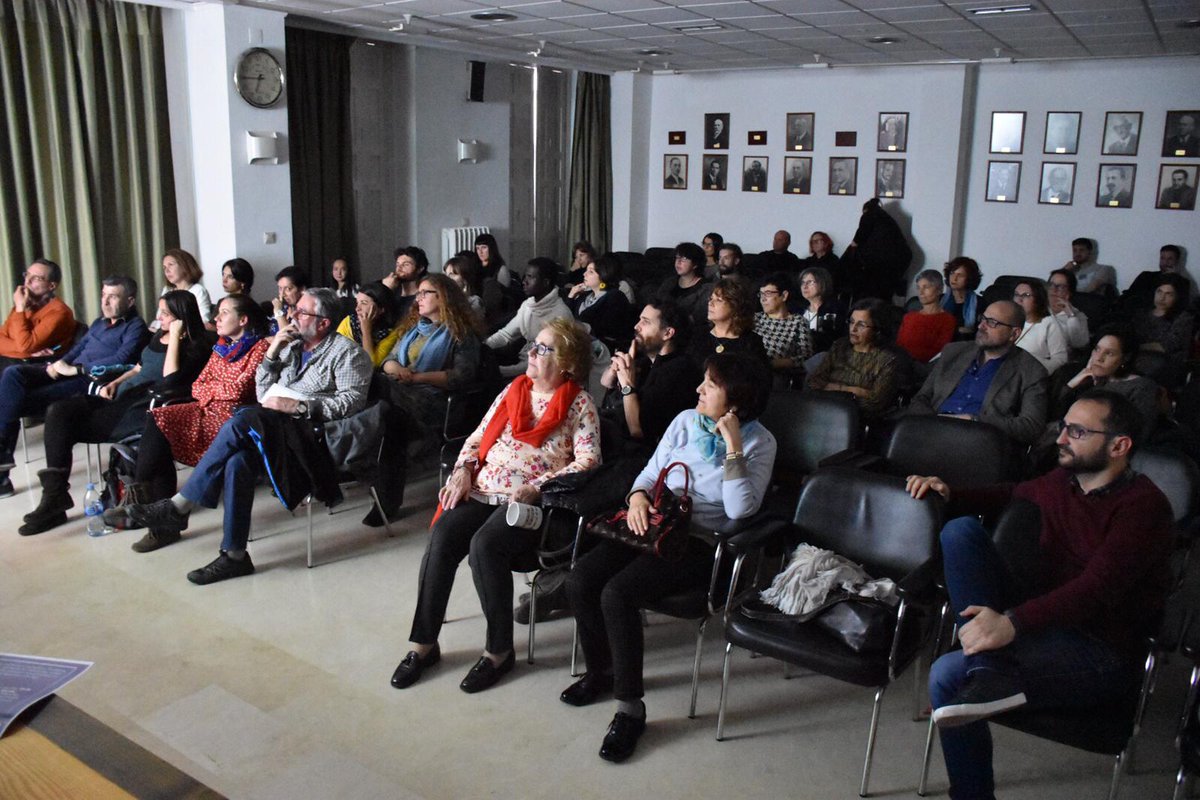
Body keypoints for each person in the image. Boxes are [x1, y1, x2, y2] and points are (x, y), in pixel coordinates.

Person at [909, 391, 1172, 800]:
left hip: (1099, 650)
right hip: (1047, 624)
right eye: (1063, 426)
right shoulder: (1063, 481)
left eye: (1078, 431)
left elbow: (1095, 591)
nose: (1062, 438)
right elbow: (1012, 493)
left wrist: (1012, 623)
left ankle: (972, 789)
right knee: (959, 531)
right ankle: (988, 671)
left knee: (946, 675)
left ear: (1119, 446)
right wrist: (950, 491)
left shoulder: (1144, 508)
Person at [563, 353, 776, 763]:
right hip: (655, 525)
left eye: (710, 386)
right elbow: (649, 471)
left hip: (701, 542)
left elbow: (739, 510)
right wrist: (638, 497)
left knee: (617, 594)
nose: (699, 390)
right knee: (580, 580)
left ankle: (630, 709)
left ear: (736, 400)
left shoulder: (759, 442)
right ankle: (601, 672)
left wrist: (733, 446)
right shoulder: (684, 422)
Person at [389, 319, 599, 693]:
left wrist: (536, 486)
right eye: (534, 344)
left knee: (484, 546)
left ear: (567, 363)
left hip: (533, 505)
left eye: (543, 349)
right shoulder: (513, 389)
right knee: (442, 535)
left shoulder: (580, 404)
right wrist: (463, 472)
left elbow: (588, 462)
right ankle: (423, 644)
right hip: (485, 489)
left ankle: (499, 651)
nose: (531, 352)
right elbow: (475, 439)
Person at [117, 288, 373, 585]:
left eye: (302, 312)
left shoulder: (348, 353)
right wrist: (273, 353)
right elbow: (264, 393)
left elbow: (352, 403)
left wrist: (302, 406)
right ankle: (234, 555)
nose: (292, 316)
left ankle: (179, 506)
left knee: (243, 418)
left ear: (324, 323)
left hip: (311, 434)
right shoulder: (291, 346)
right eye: (294, 310)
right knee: (238, 460)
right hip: (275, 426)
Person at [19, 291, 212, 535]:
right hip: (124, 394)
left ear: (181, 318)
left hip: (146, 405)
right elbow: (139, 367)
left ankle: (60, 501)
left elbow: (170, 379)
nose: (159, 318)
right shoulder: (158, 337)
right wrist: (116, 381)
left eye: (165, 314)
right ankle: (55, 497)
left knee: (69, 425)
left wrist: (175, 337)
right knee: (59, 410)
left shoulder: (196, 345)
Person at [107, 294, 271, 552]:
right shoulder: (223, 346)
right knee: (160, 419)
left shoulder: (260, 348)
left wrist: (215, 390)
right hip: (206, 412)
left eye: (224, 313)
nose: (217, 318)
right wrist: (218, 390)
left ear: (243, 319)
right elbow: (198, 386)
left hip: (234, 422)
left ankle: (160, 516)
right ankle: (149, 507)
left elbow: (239, 392)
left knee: (165, 423)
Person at [0, 276, 148, 499]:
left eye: (113, 296)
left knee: (16, 400)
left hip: (88, 380)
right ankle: (2, 453)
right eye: (103, 295)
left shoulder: (135, 327)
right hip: (66, 371)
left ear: (130, 300)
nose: (105, 302)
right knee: (12, 374)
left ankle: (2, 461)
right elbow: (79, 348)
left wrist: (77, 368)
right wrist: (59, 364)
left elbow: (122, 359)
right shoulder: (99, 323)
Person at [377, 274, 484, 524]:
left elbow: (460, 377)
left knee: (376, 392)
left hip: (434, 403)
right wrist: (399, 371)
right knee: (388, 418)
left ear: (443, 297)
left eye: (426, 293)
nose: (419, 297)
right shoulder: (415, 330)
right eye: (419, 293)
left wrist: (416, 378)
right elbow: (387, 361)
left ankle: (344, 434)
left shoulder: (461, 334)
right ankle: (384, 502)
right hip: (400, 395)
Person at [908, 300, 1049, 446]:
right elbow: (921, 398)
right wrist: (933, 422)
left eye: (992, 322)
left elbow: (1031, 426)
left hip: (979, 442)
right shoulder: (954, 352)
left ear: (1014, 334)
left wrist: (975, 421)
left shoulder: (1031, 371)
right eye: (982, 319)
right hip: (931, 430)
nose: (981, 326)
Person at [600, 299, 702, 453]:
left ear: (667, 333)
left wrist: (628, 386)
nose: (636, 326)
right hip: (612, 432)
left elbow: (637, 431)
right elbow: (605, 382)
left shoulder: (679, 370)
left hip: (639, 454)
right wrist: (617, 369)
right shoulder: (646, 361)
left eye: (645, 322)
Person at [1047, 328, 1158, 441]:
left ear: (1125, 358)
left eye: (1109, 353)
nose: (1099, 358)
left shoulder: (1141, 387)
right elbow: (1053, 416)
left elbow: (1139, 433)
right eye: (1097, 349)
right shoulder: (1087, 379)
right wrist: (1071, 385)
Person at [807, 298, 900, 420]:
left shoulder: (887, 360)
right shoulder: (840, 346)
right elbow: (814, 381)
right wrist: (856, 391)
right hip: (825, 408)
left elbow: (876, 402)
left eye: (861, 325)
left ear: (877, 330)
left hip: (857, 418)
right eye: (851, 322)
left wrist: (831, 388)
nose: (853, 329)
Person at [486, 259, 572, 378]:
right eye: (525, 276)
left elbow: (548, 361)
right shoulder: (527, 305)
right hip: (523, 363)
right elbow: (506, 335)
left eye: (530, 277)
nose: (524, 281)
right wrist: (483, 347)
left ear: (546, 282)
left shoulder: (561, 314)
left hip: (543, 373)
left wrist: (501, 371)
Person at [0, 258, 75, 367]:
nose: (27, 281)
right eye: (27, 275)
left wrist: (20, 308)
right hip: (10, 360)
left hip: (31, 366)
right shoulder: (26, 303)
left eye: (36, 278)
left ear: (51, 286)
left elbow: (25, 346)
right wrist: (28, 351)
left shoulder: (59, 313)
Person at [843, 198, 912, 302]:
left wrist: (852, 246)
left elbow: (859, 236)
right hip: (900, 260)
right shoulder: (887, 219)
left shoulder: (869, 215)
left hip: (882, 262)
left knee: (874, 292)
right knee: (885, 293)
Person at [690, 278, 768, 369]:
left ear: (735, 306)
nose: (710, 303)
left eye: (718, 300)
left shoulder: (751, 342)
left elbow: (761, 378)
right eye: (711, 298)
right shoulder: (698, 335)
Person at [1133, 273, 1194, 386]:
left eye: (1169, 294)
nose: (1162, 298)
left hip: (1168, 364)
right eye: (1159, 292)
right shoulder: (1142, 314)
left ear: (1177, 297)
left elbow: (1168, 345)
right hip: (1138, 358)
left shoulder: (1184, 318)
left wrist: (1135, 347)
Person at [755, 273, 813, 384]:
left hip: (776, 373)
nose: (763, 299)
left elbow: (806, 358)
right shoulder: (754, 318)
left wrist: (774, 363)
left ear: (784, 296)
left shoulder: (798, 322)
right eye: (761, 294)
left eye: (768, 294)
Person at [565, 254, 633, 349]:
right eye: (586, 270)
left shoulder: (615, 296)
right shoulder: (584, 295)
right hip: (580, 344)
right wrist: (571, 296)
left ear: (603, 275)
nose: (585, 274)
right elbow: (566, 318)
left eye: (591, 272)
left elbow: (605, 329)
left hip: (602, 348)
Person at [897, 270, 957, 363]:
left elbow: (938, 351)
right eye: (918, 287)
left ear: (939, 290)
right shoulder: (909, 317)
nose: (921, 292)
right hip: (900, 363)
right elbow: (899, 344)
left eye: (926, 287)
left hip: (924, 368)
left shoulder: (947, 320)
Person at [335, 282, 400, 367]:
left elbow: (370, 364)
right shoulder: (349, 322)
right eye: (357, 302)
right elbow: (335, 354)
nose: (357, 308)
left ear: (381, 309)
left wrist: (366, 330)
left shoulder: (391, 334)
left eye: (364, 303)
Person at [1013, 280, 1069, 374]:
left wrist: (1037, 369)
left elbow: (1061, 359)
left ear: (1038, 300)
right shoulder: (1006, 320)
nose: (1019, 299)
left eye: (1026, 295)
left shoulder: (1049, 324)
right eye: (1016, 294)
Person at [656, 242, 711, 329]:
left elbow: (696, 318)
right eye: (677, 258)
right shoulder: (669, 282)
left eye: (684, 259)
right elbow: (656, 304)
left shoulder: (706, 288)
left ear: (695, 264)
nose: (678, 262)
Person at [797, 266, 847, 354]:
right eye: (803, 282)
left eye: (810, 282)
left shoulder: (836, 308)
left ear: (823, 283)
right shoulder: (798, 310)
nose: (805, 286)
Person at [160, 249, 214, 325]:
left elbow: (203, 321)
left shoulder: (198, 290)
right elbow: (159, 320)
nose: (167, 271)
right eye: (164, 267)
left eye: (171, 265)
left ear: (184, 266)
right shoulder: (167, 290)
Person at [382, 246, 429, 320]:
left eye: (406, 264)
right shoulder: (392, 291)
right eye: (397, 264)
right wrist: (385, 289)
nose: (399, 268)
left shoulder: (423, 297)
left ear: (420, 269)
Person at [1046, 269, 1089, 350]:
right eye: (1051, 285)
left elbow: (1079, 344)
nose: (1054, 289)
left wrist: (1071, 316)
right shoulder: (1036, 307)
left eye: (1060, 287)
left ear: (1069, 293)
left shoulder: (1079, 316)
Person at [941, 256, 983, 337]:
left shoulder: (980, 303)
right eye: (952, 273)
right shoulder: (940, 300)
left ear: (969, 278)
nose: (954, 278)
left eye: (960, 275)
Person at [271, 266, 308, 331]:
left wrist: (278, 312)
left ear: (302, 289)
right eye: (280, 288)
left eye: (288, 289)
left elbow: (288, 337)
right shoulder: (284, 308)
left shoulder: (307, 313)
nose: (282, 294)